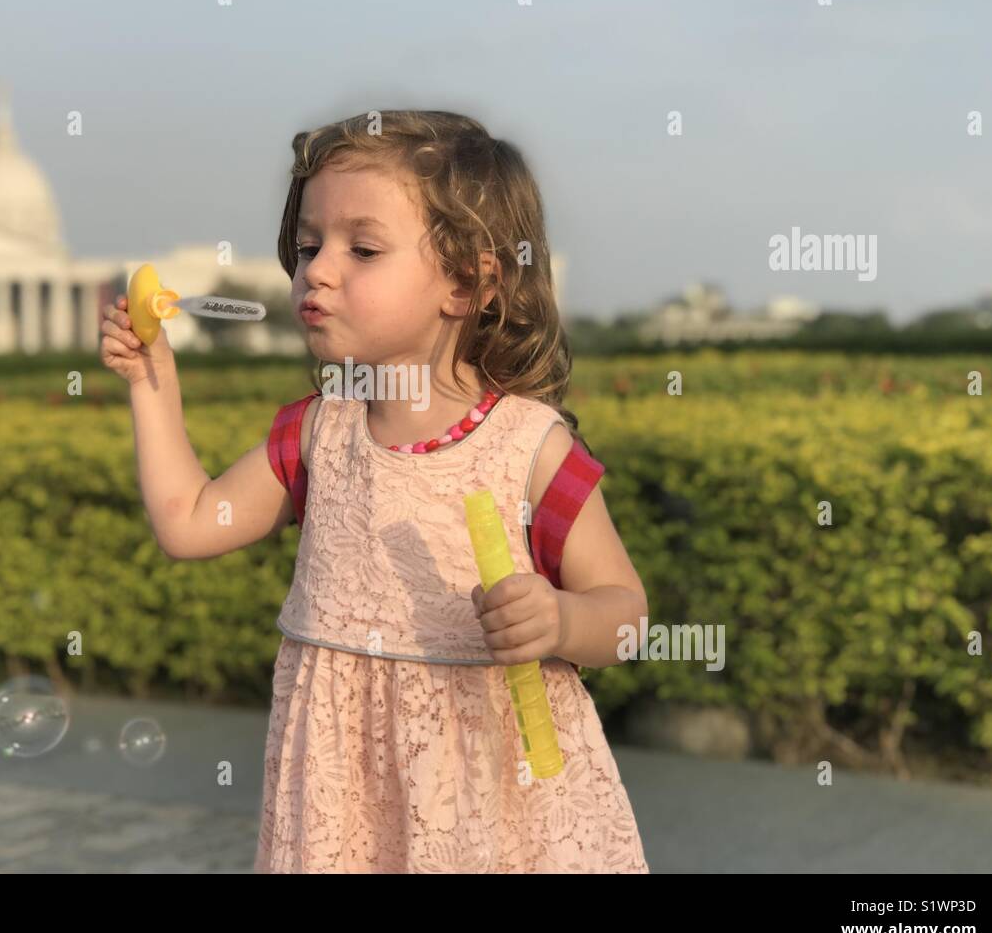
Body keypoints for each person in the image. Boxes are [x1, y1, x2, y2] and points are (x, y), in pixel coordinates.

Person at [101, 109, 649, 873]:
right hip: (342, 820)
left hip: (494, 819)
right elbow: (189, 523)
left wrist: (560, 618)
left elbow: (627, 616)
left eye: (362, 248)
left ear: (467, 281)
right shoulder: (317, 437)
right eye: (307, 246)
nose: (317, 270)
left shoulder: (529, 450)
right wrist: (149, 381)